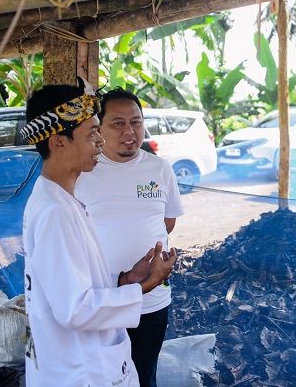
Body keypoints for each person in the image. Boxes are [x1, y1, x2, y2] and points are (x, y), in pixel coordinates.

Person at [22, 80, 178, 386]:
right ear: (58, 142)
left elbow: (71, 285)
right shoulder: (55, 212)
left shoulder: (62, 201)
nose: (99, 142)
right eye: (92, 132)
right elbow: (75, 310)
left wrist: (123, 281)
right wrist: (143, 287)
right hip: (79, 370)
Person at [76, 88, 184, 387]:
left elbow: (168, 221)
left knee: (144, 375)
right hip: (102, 300)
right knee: (101, 378)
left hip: (151, 302)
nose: (130, 132)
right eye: (118, 123)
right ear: (99, 127)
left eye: (136, 122)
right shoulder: (84, 172)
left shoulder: (159, 168)